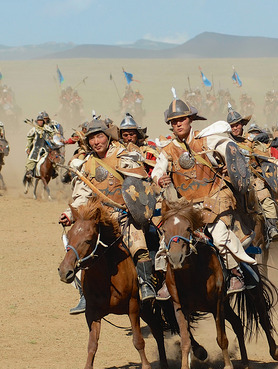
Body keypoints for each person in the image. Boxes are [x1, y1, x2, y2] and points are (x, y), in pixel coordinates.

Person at [151, 97, 256, 293]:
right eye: (174, 121)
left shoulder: (207, 139)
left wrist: (228, 163)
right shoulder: (167, 150)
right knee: (167, 239)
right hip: (186, 206)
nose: (178, 124)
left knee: (218, 235)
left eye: (181, 119)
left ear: (190, 120)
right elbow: (158, 169)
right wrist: (159, 178)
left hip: (213, 199)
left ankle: (235, 274)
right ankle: (166, 280)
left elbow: (229, 149)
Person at [59, 119, 159, 308]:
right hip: (98, 220)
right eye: (92, 138)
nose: (96, 142)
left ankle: (146, 285)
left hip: (124, 216)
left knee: (138, 244)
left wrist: (134, 207)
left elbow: (140, 185)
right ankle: (84, 293)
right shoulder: (88, 163)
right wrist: (69, 214)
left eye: (99, 136)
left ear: (107, 137)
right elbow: (81, 196)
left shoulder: (124, 157)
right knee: (77, 250)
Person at [227, 105, 278, 242]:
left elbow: (262, 157)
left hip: (251, 178)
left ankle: (271, 227)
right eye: (232, 126)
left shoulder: (251, 141)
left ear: (242, 125)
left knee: (264, 194)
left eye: (237, 125)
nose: (235, 128)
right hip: (230, 179)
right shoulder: (225, 142)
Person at [24, 114, 56, 180]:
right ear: (37, 122)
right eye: (39, 120)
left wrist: (52, 136)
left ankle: (53, 172)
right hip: (36, 148)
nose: (40, 122)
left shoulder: (47, 128)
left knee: (52, 158)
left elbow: (53, 134)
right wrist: (27, 147)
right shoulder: (34, 129)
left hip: (45, 148)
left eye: (41, 120)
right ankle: (29, 171)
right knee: (31, 159)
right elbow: (29, 139)